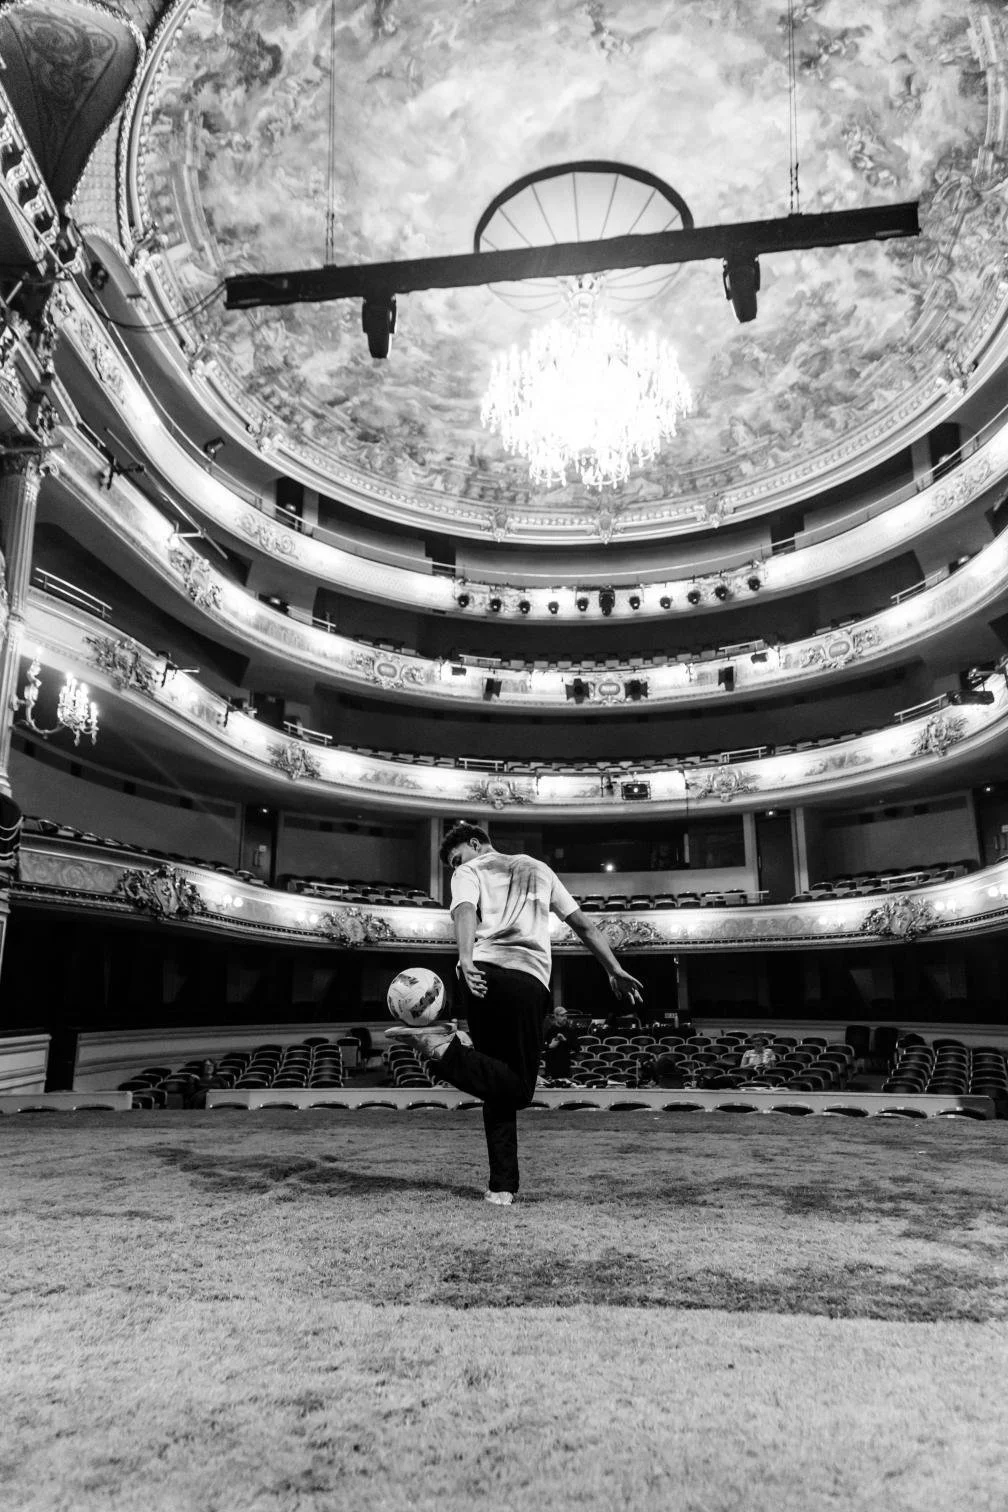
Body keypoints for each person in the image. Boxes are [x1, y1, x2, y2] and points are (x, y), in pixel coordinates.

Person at [386, 822, 644, 1204]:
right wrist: (612, 968)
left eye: (457, 857)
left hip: (482, 977)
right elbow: (582, 925)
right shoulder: (539, 869)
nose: (456, 865)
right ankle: (445, 1052)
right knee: (520, 1088)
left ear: (475, 844)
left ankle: (502, 1186)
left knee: (502, 1084)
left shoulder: (469, 870)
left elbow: (463, 911)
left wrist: (466, 960)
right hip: (526, 982)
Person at [541, 1004, 579, 1082]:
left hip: (565, 1067)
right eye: (562, 1016)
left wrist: (565, 1040)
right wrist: (550, 1046)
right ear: (556, 1016)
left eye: (565, 1016)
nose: (565, 1018)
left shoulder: (570, 1030)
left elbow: (577, 1048)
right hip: (551, 1068)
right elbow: (539, 1046)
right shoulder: (549, 1030)